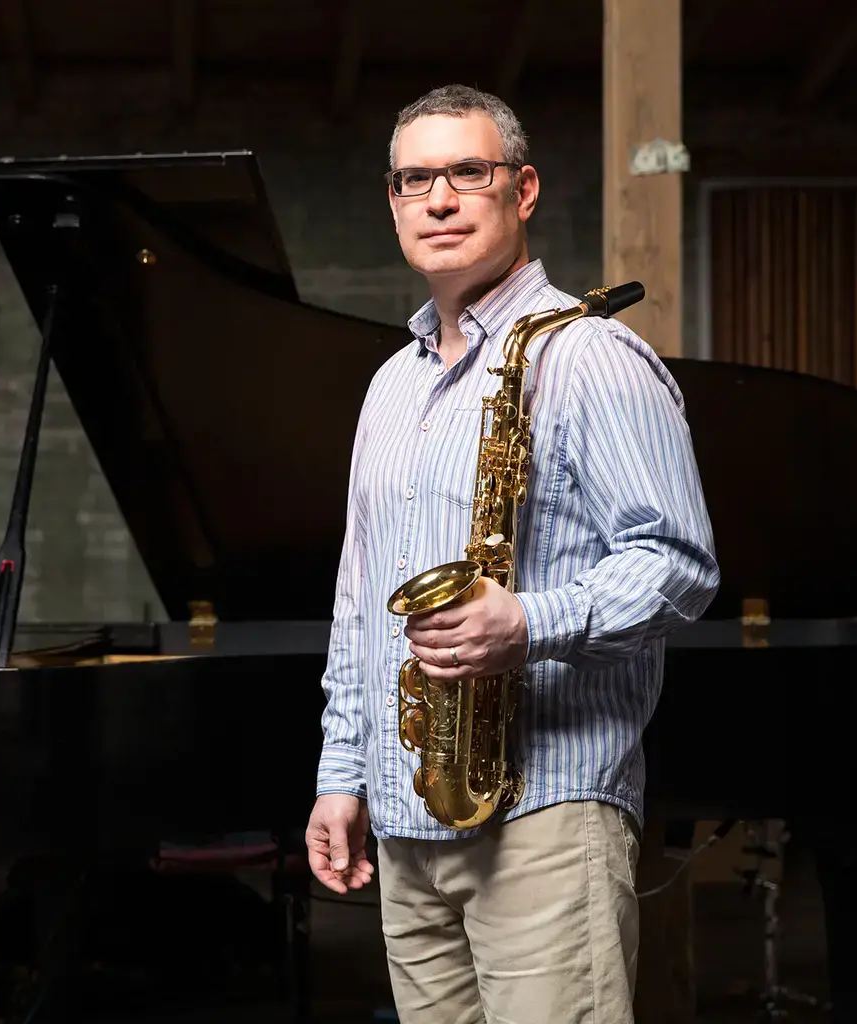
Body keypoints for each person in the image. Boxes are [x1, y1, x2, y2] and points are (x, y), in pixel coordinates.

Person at [305, 84, 720, 1023]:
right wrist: (342, 775)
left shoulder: (591, 358)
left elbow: (679, 562)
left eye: (467, 172)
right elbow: (359, 597)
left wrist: (529, 620)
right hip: (411, 814)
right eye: (415, 179)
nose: (439, 199)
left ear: (522, 191)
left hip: (545, 813)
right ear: (395, 202)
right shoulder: (388, 386)